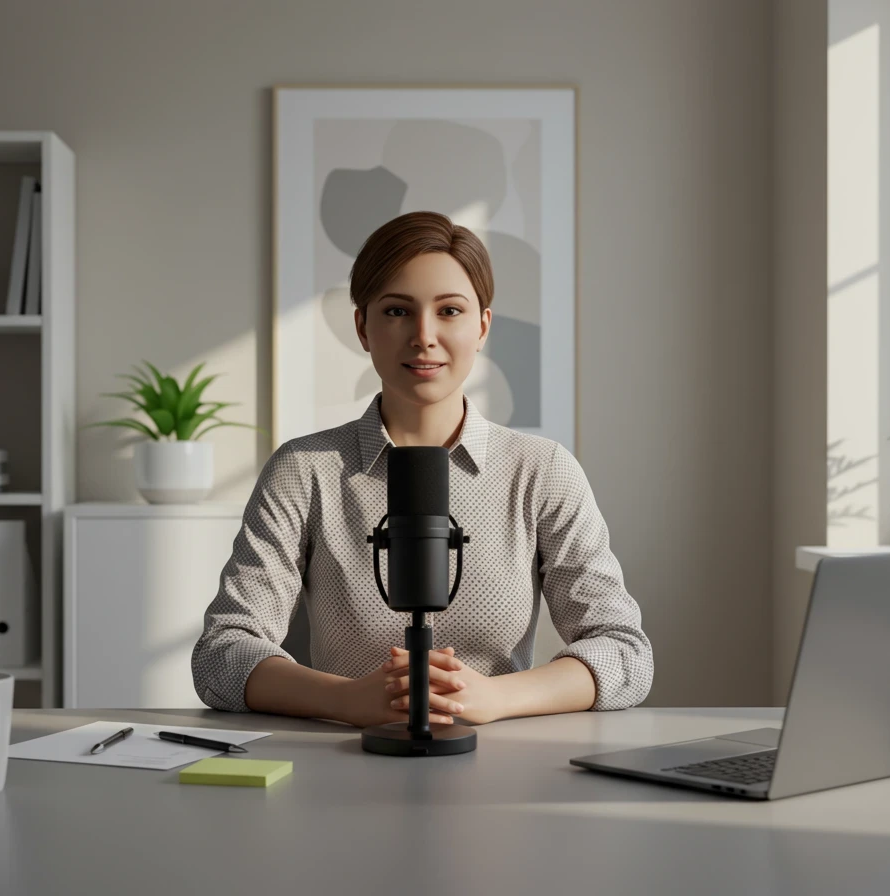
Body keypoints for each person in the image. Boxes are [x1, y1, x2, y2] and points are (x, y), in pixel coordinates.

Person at [191, 211, 653, 728]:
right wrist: (346, 700)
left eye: (450, 311)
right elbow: (222, 653)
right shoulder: (305, 470)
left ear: (482, 327)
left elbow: (624, 653)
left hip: (504, 770)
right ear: (363, 327)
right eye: (396, 312)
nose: (424, 336)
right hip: (344, 767)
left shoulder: (541, 471)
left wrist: (495, 698)